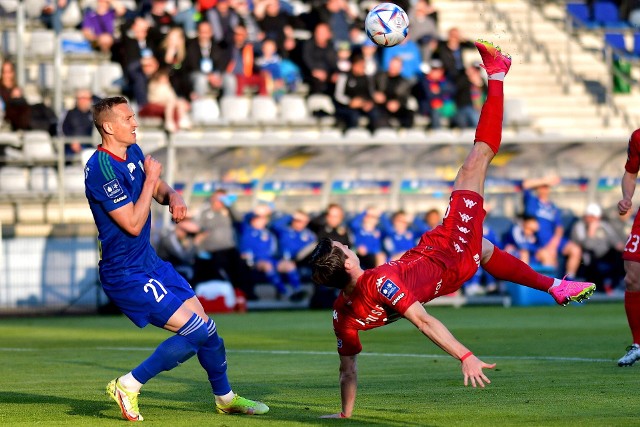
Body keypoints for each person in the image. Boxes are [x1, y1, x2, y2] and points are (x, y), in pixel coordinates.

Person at [308, 41, 596, 418]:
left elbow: (347, 369)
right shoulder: (377, 283)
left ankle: (556, 287)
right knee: (476, 161)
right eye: (343, 248)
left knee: (487, 249)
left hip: (447, 261)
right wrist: (465, 355)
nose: (346, 243)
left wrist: (345, 415)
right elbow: (423, 321)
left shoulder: (342, 313)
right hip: (448, 253)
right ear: (346, 264)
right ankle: (497, 72)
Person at [84, 97, 268, 421]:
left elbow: (155, 189)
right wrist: (152, 180)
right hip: (125, 273)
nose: (135, 123)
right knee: (196, 331)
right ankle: (129, 384)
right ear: (109, 127)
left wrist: (173, 194)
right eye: (128, 118)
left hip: (149, 263)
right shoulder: (100, 169)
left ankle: (225, 398)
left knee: (209, 332)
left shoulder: (133, 152)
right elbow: (132, 223)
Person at [521, 176, 582, 278]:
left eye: (547, 187)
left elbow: (559, 228)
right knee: (549, 258)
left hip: (553, 241)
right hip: (538, 243)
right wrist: (545, 180)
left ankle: (569, 281)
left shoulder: (552, 207)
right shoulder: (532, 202)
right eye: (542, 186)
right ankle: (551, 288)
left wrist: (553, 245)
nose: (545, 189)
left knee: (576, 250)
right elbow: (525, 184)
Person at [616, 127, 640, 366]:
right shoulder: (638, 137)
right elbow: (631, 173)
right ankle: (637, 344)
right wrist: (627, 198)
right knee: (632, 276)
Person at [571, 203, 625, 292]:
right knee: (591, 255)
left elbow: (616, 242)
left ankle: (617, 284)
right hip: (588, 259)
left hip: (605, 256)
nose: (594, 220)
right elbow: (587, 246)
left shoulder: (604, 226)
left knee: (619, 254)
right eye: (592, 217)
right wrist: (591, 231)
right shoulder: (579, 227)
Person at [61, 89, 96, 159]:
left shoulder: (94, 114)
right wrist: (71, 141)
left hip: (89, 145)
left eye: (86, 98)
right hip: (71, 146)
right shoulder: (70, 113)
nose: (83, 101)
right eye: (80, 98)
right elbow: (63, 129)